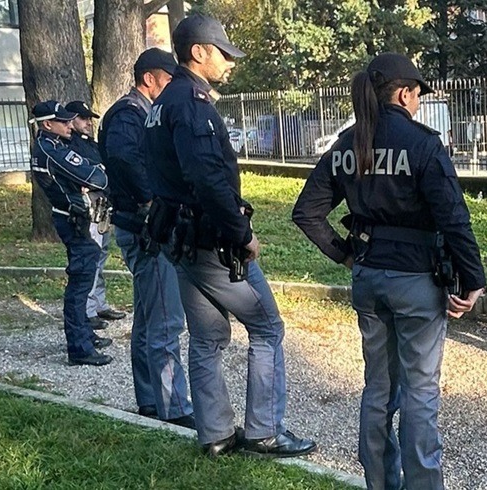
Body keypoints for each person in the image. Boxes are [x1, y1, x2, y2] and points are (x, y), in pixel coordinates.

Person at [292, 53, 486, 490]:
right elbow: (454, 217)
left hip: (368, 277)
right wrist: (473, 281)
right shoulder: (422, 144)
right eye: (417, 95)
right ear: (404, 93)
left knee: (378, 389)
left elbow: (307, 213)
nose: (418, 103)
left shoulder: (346, 144)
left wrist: (345, 255)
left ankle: (380, 483)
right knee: (420, 392)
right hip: (417, 281)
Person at [144, 15, 316, 457]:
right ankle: (265, 430)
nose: (229, 62)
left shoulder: (162, 104)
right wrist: (242, 235)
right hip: (211, 241)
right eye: (223, 52)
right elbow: (208, 180)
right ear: (198, 52)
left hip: (180, 238)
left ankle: (216, 434)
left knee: (206, 339)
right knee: (267, 327)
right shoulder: (192, 103)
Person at [98, 48, 196, 429]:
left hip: (140, 226)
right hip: (144, 230)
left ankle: (151, 401)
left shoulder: (141, 111)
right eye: (168, 79)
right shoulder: (129, 112)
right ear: (150, 78)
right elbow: (124, 158)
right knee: (166, 322)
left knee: (149, 318)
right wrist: (152, 199)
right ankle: (172, 408)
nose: (171, 86)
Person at [29, 100, 114, 366]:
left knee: (84, 278)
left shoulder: (48, 147)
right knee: (79, 285)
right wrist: (91, 177)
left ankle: (85, 336)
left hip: (70, 216)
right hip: (73, 219)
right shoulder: (52, 150)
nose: (69, 125)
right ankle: (79, 347)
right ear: (47, 124)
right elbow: (97, 178)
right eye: (64, 121)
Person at [67, 100, 127, 330]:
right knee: (91, 256)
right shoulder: (70, 145)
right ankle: (88, 309)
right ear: (71, 119)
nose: (88, 123)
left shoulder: (90, 143)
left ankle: (99, 303)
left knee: (101, 254)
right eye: (83, 118)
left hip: (103, 202)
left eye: (89, 118)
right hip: (88, 203)